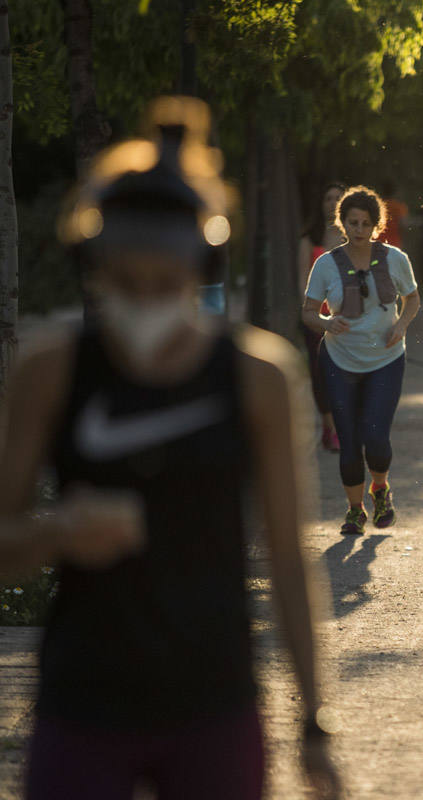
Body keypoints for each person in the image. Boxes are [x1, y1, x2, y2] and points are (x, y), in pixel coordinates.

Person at [0, 96, 340, 800]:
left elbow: (287, 558)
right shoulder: (51, 368)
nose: (146, 298)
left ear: (204, 265)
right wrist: (58, 530)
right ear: (92, 264)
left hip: (214, 706)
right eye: (126, 281)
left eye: (166, 281)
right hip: (82, 705)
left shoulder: (257, 378)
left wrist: (314, 723)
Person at [302, 186, 420, 536]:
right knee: (349, 442)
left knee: (376, 438)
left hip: (386, 360)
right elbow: (308, 312)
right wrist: (325, 322)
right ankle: (355, 511)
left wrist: (401, 325)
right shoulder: (326, 264)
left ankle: (380, 489)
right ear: (342, 223)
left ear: (376, 225)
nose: (358, 229)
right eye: (352, 222)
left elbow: (412, 300)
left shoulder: (395, 259)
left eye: (365, 223)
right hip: (339, 361)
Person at [298, 181, 347, 452]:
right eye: (328, 197)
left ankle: (341, 426)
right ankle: (330, 427)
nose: (332, 202)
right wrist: (311, 314)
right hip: (316, 318)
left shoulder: (353, 236)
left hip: (347, 319)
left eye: (338, 197)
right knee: (321, 376)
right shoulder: (309, 238)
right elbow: (301, 280)